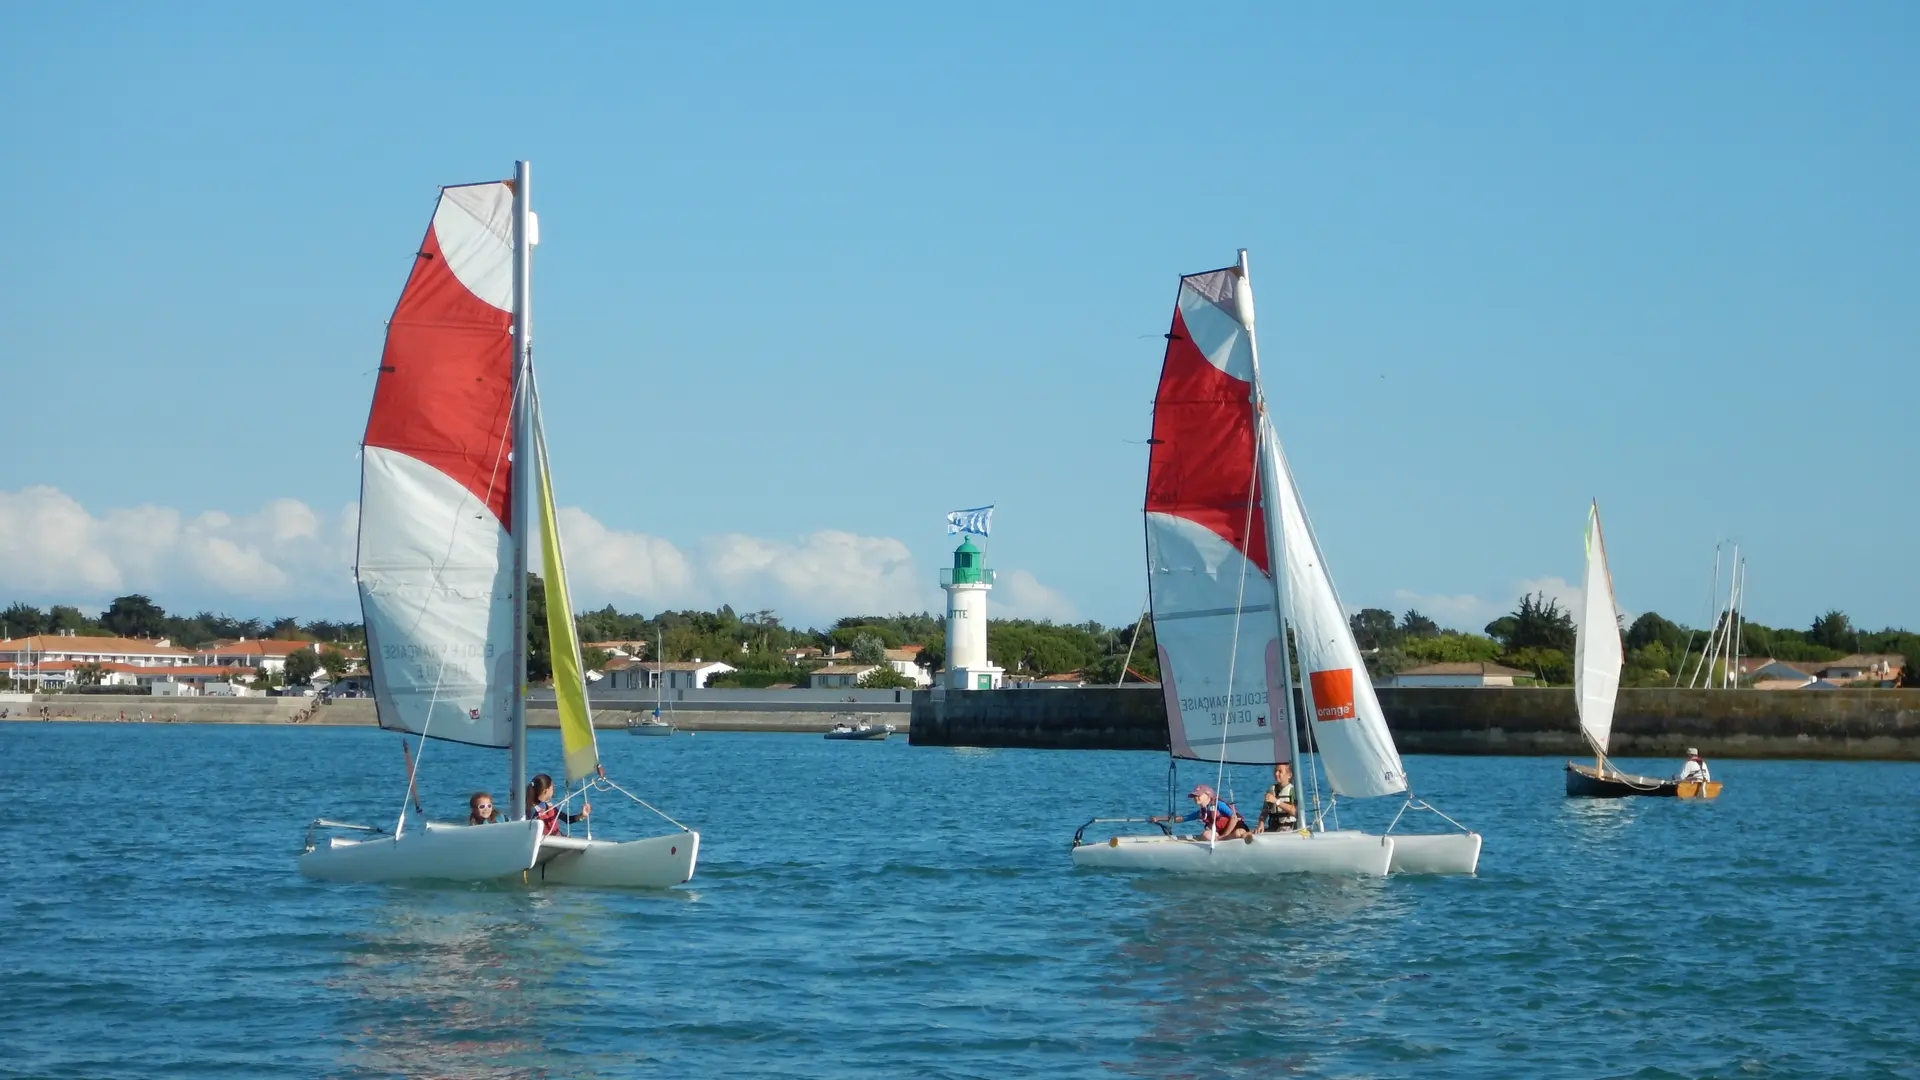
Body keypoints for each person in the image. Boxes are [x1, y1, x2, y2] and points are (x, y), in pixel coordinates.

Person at [1151, 784, 1250, 841]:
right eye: (1194, 796)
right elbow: (1182, 818)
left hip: (1234, 830)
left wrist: (1224, 835)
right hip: (1222, 835)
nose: (1195, 797)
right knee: (1206, 834)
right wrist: (1159, 819)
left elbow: (1234, 817)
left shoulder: (1219, 805)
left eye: (1198, 795)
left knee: (1239, 833)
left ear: (1208, 795)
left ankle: (1249, 838)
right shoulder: (1202, 812)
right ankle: (1220, 840)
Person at [1259, 762, 1299, 833]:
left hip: (1288, 829)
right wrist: (1261, 824)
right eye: (1275, 771)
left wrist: (1276, 801)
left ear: (1289, 775)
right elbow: (1264, 812)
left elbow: (1294, 811)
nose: (1276, 774)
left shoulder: (1292, 790)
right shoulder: (1271, 790)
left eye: (1280, 771)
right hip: (1273, 828)